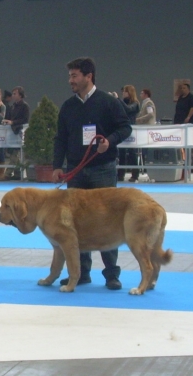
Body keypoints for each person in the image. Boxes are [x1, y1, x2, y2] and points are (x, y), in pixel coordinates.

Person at [52, 56, 132, 291]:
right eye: (70, 76)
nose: (70, 80)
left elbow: (125, 127)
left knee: (107, 221)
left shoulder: (108, 102)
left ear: (89, 76)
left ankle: (111, 275)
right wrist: (57, 165)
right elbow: (61, 138)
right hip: (75, 172)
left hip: (102, 170)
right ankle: (80, 273)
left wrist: (110, 140)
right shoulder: (68, 106)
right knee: (74, 223)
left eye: (74, 76)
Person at [0, 86, 30, 181]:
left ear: (20, 95)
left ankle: (7, 174)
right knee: (14, 154)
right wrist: (5, 121)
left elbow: (25, 119)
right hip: (12, 133)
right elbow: (9, 117)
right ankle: (17, 174)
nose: (12, 95)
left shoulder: (25, 106)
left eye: (14, 94)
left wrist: (13, 122)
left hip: (19, 133)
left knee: (14, 155)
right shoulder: (12, 106)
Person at [116, 85, 140, 182]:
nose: (123, 93)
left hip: (131, 130)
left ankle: (135, 175)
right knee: (121, 152)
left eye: (125, 92)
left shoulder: (135, 103)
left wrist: (118, 99)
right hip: (122, 129)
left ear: (129, 92)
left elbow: (128, 109)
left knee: (132, 153)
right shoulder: (122, 102)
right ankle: (120, 175)